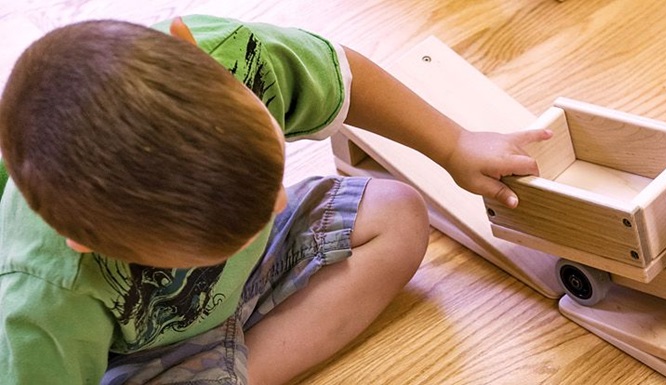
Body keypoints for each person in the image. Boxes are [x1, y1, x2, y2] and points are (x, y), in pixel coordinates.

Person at [0, 15, 550, 384]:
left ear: (195, 53)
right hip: (138, 351)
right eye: (218, 239)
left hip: (239, 290)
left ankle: (238, 369)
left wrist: (453, 145)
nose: (279, 203)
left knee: (400, 215)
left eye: (270, 181)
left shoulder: (231, 58)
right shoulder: (45, 294)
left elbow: (346, 75)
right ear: (86, 242)